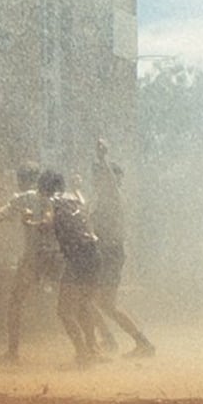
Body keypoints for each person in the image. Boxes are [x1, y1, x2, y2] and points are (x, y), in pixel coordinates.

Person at [87, 139, 154, 358]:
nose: (96, 178)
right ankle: (118, 340)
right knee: (97, 301)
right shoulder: (105, 198)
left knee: (99, 302)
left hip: (110, 253)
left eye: (99, 175)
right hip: (108, 253)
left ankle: (132, 342)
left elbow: (109, 181)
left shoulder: (113, 195)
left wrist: (102, 157)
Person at [33, 169, 108, 366]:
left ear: (43, 188)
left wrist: (32, 222)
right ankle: (93, 350)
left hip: (77, 257)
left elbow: (47, 223)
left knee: (64, 311)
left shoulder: (51, 200)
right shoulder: (76, 198)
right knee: (84, 305)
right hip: (94, 254)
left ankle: (82, 354)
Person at [0, 162, 61, 364]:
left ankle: (13, 352)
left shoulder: (23, 198)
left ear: (20, 179)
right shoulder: (53, 197)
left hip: (34, 257)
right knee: (74, 299)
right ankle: (96, 343)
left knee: (15, 302)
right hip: (57, 255)